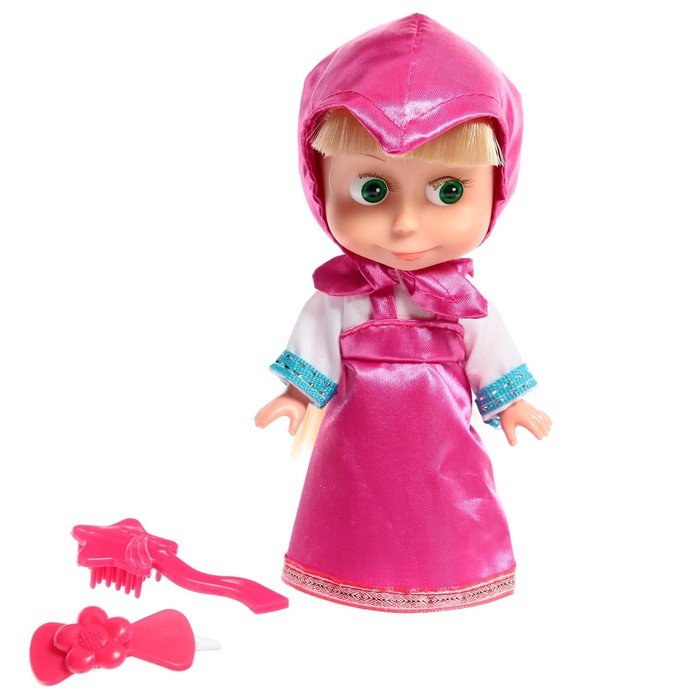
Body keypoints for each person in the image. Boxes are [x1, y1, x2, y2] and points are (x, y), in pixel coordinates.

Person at [255, 14, 551, 612]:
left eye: (448, 191)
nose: (407, 224)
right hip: (359, 437)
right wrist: (296, 396)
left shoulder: (463, 302)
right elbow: (315, 349)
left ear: (496, 187)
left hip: (442, 440)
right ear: (320, 185)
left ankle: (453, 574)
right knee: (352, 504)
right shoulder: (341, 296)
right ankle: (350, 573)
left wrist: (512, 404)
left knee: (450, 501)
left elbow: (490, 355)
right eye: (372, 190)